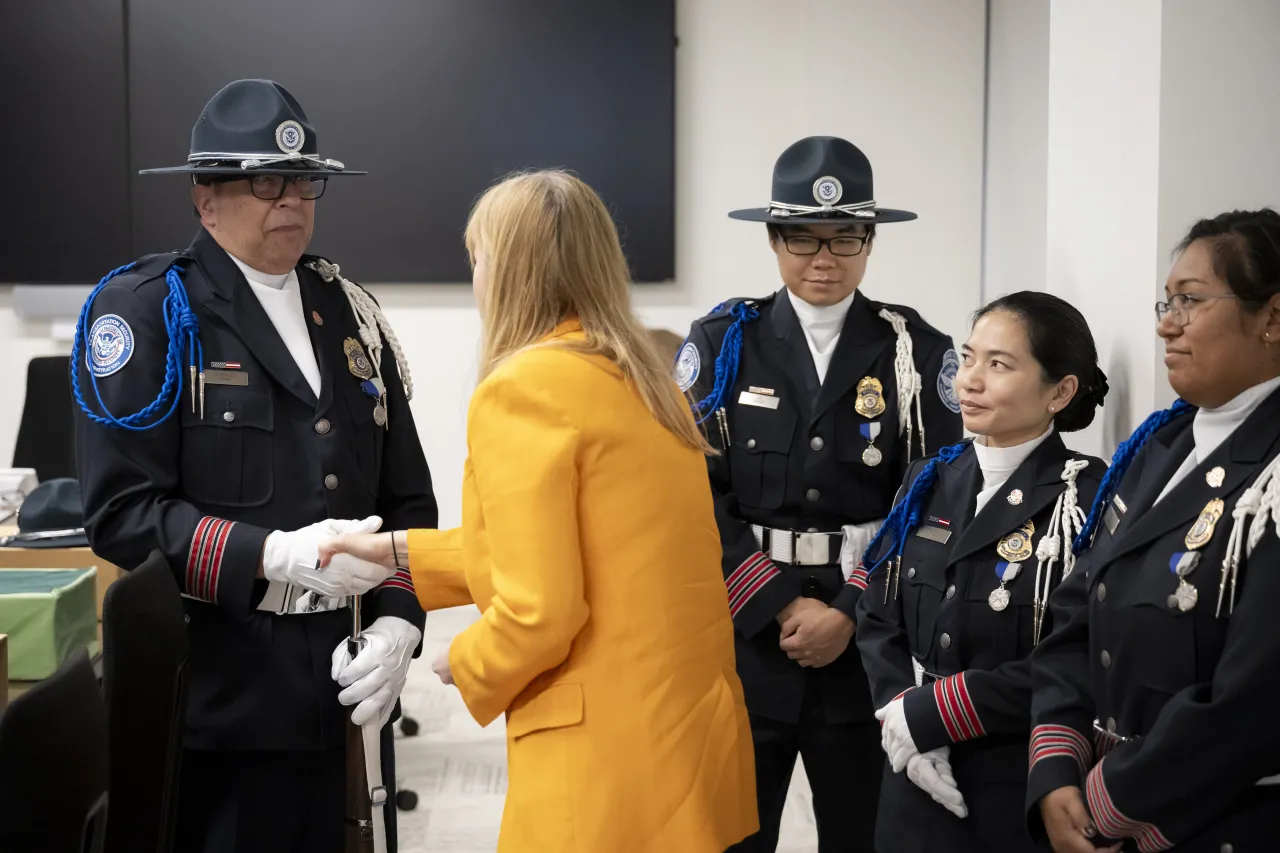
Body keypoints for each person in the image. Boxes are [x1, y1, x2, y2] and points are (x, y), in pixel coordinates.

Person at [316, 169, 757, 853]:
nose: (477, 278)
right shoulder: (643, 379)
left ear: (511, 270)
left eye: (479, 259)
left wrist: (464, 661)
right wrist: (404, 552)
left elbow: (540, 610)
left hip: (600, 763)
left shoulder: (523, 388)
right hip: (682, 745)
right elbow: (584, 544)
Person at [71, 79, 436, 853]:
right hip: (220, 699)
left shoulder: (349, 311)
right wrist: (275, 555)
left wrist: (401, 619)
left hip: (342, 684)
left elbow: (408, 499)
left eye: (304, 181)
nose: (291, 201)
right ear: (205, 197)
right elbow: (120, 515)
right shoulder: (148, 313)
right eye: (265, 181)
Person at [677, 135, 963, 852]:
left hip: (863, 639)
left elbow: (934, 495)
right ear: (773, 241)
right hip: (745, 637)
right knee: (732, 834)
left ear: (870, 242)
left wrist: (847, 609)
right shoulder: (722, 344)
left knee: (861, 834)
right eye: (803, 240)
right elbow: (690, 490)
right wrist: (771, 603)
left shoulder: (915, 351)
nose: (824, 260)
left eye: (846, 239)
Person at [1027, 208, 1280, 853]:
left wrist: (1114, 806)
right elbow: (1080, 613)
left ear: (1273, 318)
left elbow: (1254, 702)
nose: (1167, 323)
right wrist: (1057, 769)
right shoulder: (1160, 447)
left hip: (1210, 822)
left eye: (1191, 302)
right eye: (1166, 302)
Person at [854, 292, 1108, 852]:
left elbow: (1082, 654)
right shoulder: (930, 478)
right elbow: (877, 610)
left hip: (1012, 783)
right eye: (968, 358)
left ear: (1060, 391)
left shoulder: (1086, 498)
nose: (970, 380)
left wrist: (938, 713)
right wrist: (901, 711)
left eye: (999, 365)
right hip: (910, 773)